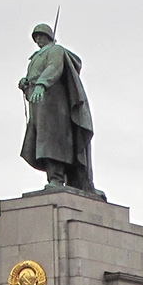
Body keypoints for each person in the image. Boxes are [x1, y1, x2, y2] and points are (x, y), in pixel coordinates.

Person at [18, 23, 97, 194]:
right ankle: (53, 177)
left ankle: (57, 178)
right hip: (39, 104)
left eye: (41, 35)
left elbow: (54, 67)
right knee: (41, 140)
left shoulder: (55, 50)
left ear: (49, 36)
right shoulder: (35, 58)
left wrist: (41, 84)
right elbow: (35, 78)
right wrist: (26, 83)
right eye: (36, 36)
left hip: (53, 103)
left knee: (52, 140)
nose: (38, 39)